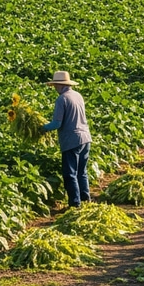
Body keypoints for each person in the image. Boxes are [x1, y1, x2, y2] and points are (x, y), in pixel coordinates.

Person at [41, 71, 92, 208]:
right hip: (85, 137)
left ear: (59, 85)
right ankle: (86, 200)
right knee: (82, 171)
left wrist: (41, 128)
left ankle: (75, 204)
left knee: (70, 174)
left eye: (55, 85)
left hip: (72, 140)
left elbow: (57, 123)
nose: (54, 88)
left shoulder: (62, 99)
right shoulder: (78, 95)